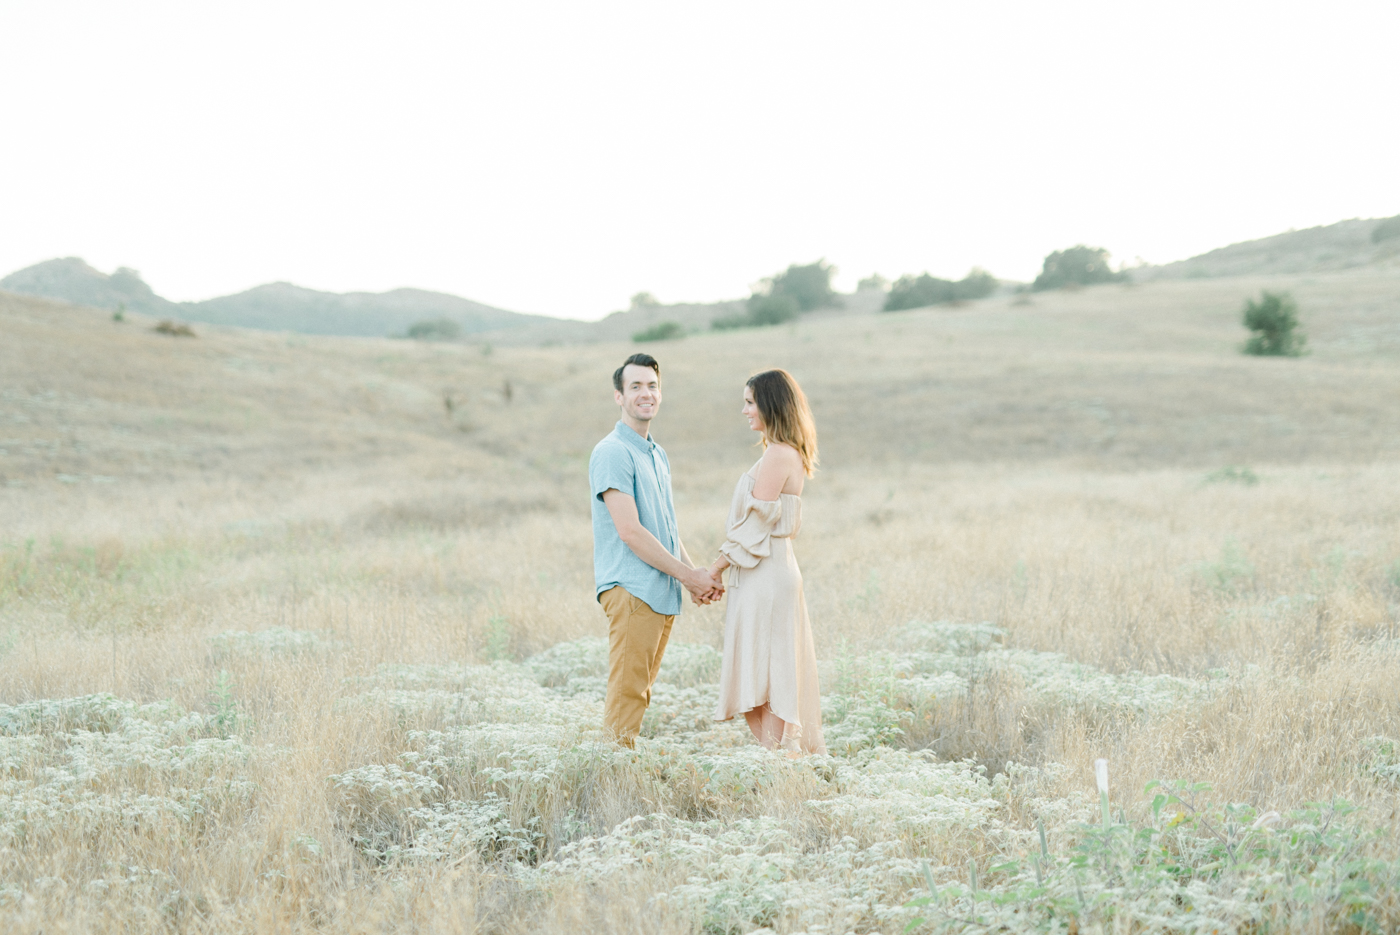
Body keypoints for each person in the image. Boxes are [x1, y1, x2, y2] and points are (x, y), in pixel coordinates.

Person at [590, 353, 723, 747]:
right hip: (632, 588)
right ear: (619, 396)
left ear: (659, 393)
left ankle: (620, 769)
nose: (645, 394)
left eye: (651, 386)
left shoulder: (655, 453)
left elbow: (665, 527)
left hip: (661, 591)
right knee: (627, 692)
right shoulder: (613, 451)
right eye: (635, 387)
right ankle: (609, 778)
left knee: (640, 691)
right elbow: (630, 531)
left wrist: (695, 576)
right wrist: (690, 577)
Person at [710, 368, 826, 755]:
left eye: (749, 402)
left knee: (770, 675)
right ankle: (778, 763)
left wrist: (714, 569)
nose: (743, 410)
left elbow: (753, 526)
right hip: (766, 570)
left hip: (767, 572)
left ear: (769, 405)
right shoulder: (778, 452)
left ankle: (777, 763)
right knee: (762, 673)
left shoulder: (778, 455)